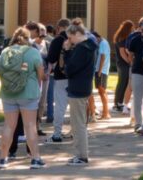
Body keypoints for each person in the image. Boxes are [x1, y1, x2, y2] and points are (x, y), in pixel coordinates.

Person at [0, 27, 46, 170]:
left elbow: (0, 71)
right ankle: (35, 158)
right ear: (28, 38)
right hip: (28, 93)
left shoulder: (5, 52)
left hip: (8, 93)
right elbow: (41, 74)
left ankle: (3, 159)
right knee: (30, 126)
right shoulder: (33, 52)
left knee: (8, 126)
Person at [60, 22, 97, 165]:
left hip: (77, 88)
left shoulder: (81, 49)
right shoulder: (91, 46)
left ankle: (82, 155)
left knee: (78, 124)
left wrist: (67, 51)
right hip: (85, 87)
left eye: (70, 37)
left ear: (76, 34)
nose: (69, 41)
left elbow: (69, 69)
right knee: (80, 123)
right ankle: (81, 154)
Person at [45, 18, 71, 142]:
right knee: (77, 107)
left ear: (59, 27)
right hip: (75, 77)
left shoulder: (58, 40)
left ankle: (57, 133)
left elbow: (51, 58)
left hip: (61, 76)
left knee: (60, 106)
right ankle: (78, 131)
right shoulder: (77, 38)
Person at [126, 17, 143, 133]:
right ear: (140, 26)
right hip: (137, 71)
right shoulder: (134, 40)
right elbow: (130, 55)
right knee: (137, 98)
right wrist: (133, 64)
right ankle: (138, 123)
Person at [112, 20, 134, 114]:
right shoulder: (122, 38)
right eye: (132, 28)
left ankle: (119, 102)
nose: (133, 30)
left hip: (121, 64)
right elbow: (122, 52)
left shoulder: (121, 37)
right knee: (122, 83)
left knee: (123, 83)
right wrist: (129, 61)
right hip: (123, 64)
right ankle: (118, 103)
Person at [95, 30, 112, 120]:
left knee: (102, 91)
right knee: (101, 91)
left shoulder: (102, 43)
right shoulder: (104, 42)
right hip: (102, 70)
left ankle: (106, 113)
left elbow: (102, 57)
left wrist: (99, 71)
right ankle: (106, 112)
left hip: (101, 70)